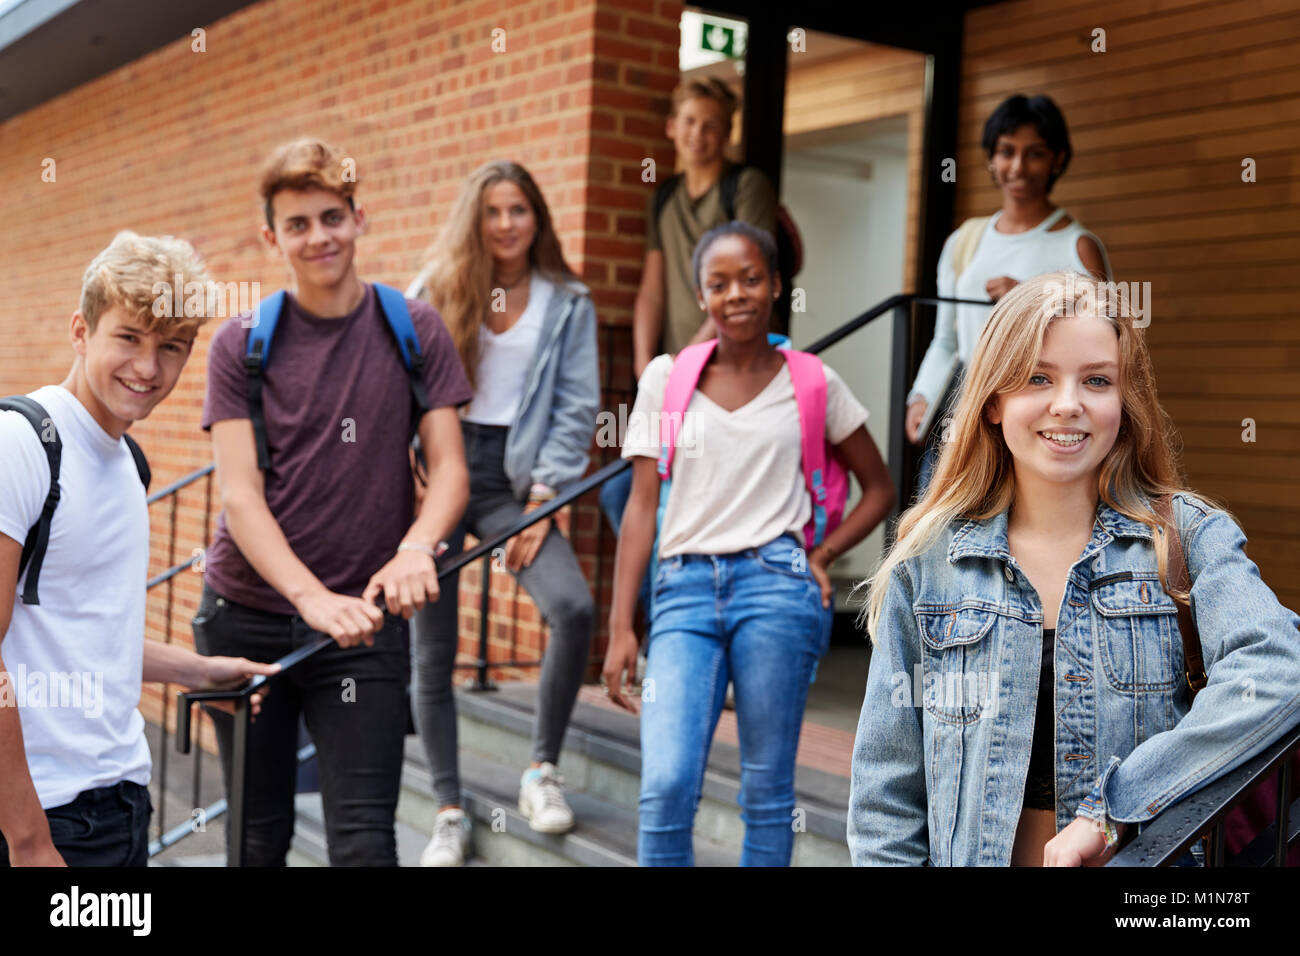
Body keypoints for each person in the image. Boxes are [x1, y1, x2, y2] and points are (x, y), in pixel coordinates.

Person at [848, 271, 1300, 867]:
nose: (1068, 403)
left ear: (1123, 401)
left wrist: (1114, 809)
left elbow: (1278, 671)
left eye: (1096, 380)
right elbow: (886, 799)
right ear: (991, 402)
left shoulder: (1188, 539)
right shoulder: (929, 564)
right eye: (1038, 377)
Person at [196, 139, 472, 867]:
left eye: (331, 217)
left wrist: (417, 546)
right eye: (297, 224)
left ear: (359, 218)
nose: (317, 237)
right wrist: (309, 597)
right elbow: (240, 496)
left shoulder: (413, 328)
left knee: (363, 842)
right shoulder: (240, 344)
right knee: (257, 840)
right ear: (272, 237)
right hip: (247, 619)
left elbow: (449, 470)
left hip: (363, 626)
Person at [603, 222, 896, 866]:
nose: (736, 294)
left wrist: (819, 554)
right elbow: (640, 508)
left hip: (779, 590)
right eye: (719, 283)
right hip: (681, 592)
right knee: (666, 784)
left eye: (751, 278)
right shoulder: (665, 379)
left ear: (776, 285)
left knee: (767, 791)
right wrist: (622, 625)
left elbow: (879, 487)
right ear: (701, 295)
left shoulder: (813, 381)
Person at [0, 231, 277, 867]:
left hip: (123, 800)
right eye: (128, 338)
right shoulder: (25, 444)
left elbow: (79, 629)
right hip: (44, 814)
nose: (148, 369)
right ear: (81, 330)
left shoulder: (130, 462)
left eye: (171, 348)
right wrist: (28, 840)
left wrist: (197, 670)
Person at [407, 160, 600, 866]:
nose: (507, 223)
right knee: (433, 649)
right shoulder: (436, 288)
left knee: (572, 607)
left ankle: (540, 771)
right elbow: (398, 381)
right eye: (493, 210)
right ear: (475, 218)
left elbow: (579, 405)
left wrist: (546, 499)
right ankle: (449, 810)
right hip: (438, 468)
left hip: (514, 481)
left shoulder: (567, 301)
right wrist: (410, 464)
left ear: (536, 217)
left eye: (519, 209)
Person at [600, 77, 779, 547]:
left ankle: (671, 604)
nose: (699, 134)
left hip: (728, 366)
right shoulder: (664, 196)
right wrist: (648, 368)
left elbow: (748, 274)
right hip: (676, 374)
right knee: (624, 494)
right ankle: (664, 606)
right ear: (671, 128)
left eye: (712, 125)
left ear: (728, 133)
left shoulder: (746, 186)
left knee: (687, 494)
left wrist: (687, 360)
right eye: (690, 122)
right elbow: (651, 288)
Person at [906, 94, 1111, 494]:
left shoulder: (1078, 246)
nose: (1017, 167)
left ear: (1058, 159)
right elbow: (946, 341)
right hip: (963, 416)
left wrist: (1029, 303)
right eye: (1006, 152)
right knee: (944, 537)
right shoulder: (964, 241)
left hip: (1041, 417)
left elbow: (1105, 345)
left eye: (1034, 153)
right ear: (990, 159)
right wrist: (921, 396)